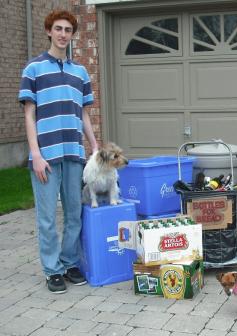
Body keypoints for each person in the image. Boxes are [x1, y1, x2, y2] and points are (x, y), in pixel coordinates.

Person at [18, 10, 98, 293]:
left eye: (68, 30)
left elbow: (84, 115)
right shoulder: (34, 69)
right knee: (48, 217)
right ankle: (52, 270)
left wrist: (95, 146)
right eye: (58, 29)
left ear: (73, 35)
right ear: (49, 31)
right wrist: (35, 154)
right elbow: (29, 115)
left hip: (74, 153)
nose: (63, 34)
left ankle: (69, 262)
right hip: (46, 157)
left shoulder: (80, 72)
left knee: (75, 213)